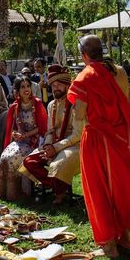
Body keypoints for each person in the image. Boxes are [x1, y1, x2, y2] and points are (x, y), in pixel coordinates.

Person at [67, 35, 130, 258]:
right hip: (120, 137)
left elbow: (79, 116)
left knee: (98, 190)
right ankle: (124, 237)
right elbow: (127, 101)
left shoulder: (85, 76)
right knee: (121, 188)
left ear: (83, 55)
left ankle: (109, 244)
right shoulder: (120, 71)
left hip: (96, 140)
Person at [21, 65, 83, 205]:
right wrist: (48, 145)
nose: (56, 88)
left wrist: (55, 148)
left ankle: (59, 189)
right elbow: (50, 130)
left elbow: (77, 134)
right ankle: (57, 186)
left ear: (68, 85)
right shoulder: (51, 105)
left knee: (59, 164)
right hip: (54, 144)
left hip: (75, 145)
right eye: (53, 85)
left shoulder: (77, 104)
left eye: (59, 84)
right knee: (29, 162)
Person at [0, 76, 48, 201]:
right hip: (20, 141)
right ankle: (8, 193)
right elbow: (12, 128)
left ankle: (22, 193)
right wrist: (15, 134)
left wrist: (27, 135)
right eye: (23, 87)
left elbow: (43, 127)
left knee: (14, 158)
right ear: (17, 90)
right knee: (5, 157)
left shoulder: (38, 103)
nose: (26, 89)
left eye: (28, 86)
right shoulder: (14, 107)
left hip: (36, 140)